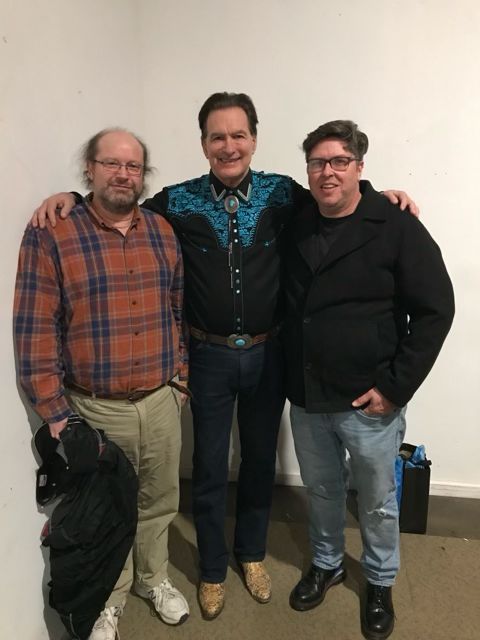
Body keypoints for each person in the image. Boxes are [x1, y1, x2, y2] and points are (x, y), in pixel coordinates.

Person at [30, 93, 417, 620]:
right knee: (210, 465)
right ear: (204, 144)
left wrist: (381, 197)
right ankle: (212, 568)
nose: (228, 146)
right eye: (218, 136)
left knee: (258, 462)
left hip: (269, 356)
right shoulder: (178, 201)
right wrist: (73, 197)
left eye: (238, 135)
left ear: (254, 140)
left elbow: (338, 199)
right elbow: (119, 207)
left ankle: (251, 554)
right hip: (207, 358)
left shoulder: (284, 194)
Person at [14, 128, 190, 640]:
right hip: (95, 409)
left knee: (159, 501)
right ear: (89, 168)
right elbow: (35, 326)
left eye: (132, 166)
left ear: (144, 175)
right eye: (111, 163)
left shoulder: (162, 231)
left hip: (161, 400)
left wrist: (180, 379)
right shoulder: (53, 233)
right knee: (104, 510)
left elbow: (177, 309)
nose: (122, 174)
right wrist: (55, 412)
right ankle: (109, 599)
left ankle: (153, 579)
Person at [282, 120, 454, 640]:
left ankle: (379, 580)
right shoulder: (295, 219)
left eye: (339, 161)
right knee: (322, 489)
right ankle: (328, 563)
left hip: (369, 400)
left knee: (377, 502)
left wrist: (395, 388)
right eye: (317, 162)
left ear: (359, 166)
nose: (327, 172)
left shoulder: (396, 225)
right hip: (307, 393)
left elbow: (436, 310)